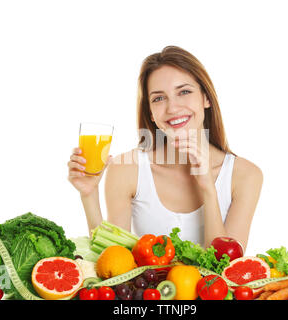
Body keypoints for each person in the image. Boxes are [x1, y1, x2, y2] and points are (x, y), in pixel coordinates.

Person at [67, 46, 263, 252]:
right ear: (151, 113)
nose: (172, 108)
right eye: (159, 98)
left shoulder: (246, 175)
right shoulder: (126, 170)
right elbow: (113, 266)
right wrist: (88, 195)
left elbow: (226, 272)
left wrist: (208, 188)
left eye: (184, 92)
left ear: (206, 98)